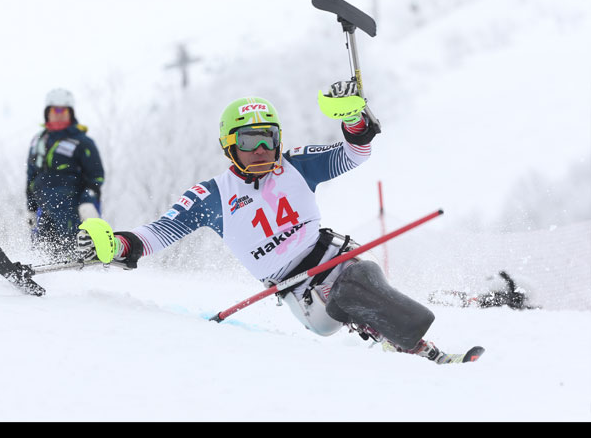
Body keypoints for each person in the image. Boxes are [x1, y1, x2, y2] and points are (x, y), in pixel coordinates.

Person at [77, 83, 475, 364]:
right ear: (229, 146)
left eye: (268, 139)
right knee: (358, 281)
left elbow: (354, 153)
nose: (261, 150)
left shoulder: (296, 165)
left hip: (337, 258)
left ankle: (406, 345)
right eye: (249, 142)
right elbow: (157, 233)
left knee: (361, 275)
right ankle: (410, 343)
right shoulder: (213, 194)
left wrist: (354, 119)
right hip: (300, 292)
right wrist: (117, 245)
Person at [26, 88, 105, 258]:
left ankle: (83, 273)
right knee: (42, 248)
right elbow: (31, 177)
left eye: (64, 110)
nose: (59, 114)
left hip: (71, 206)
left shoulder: (82, 142)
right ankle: (40, 274)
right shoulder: (38, 141)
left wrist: (88, 202)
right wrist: (30, 207)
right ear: (47, 113)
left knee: (71, 246)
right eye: (55, 110)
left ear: (71, 113)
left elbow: (96, 177)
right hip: (43, 206)